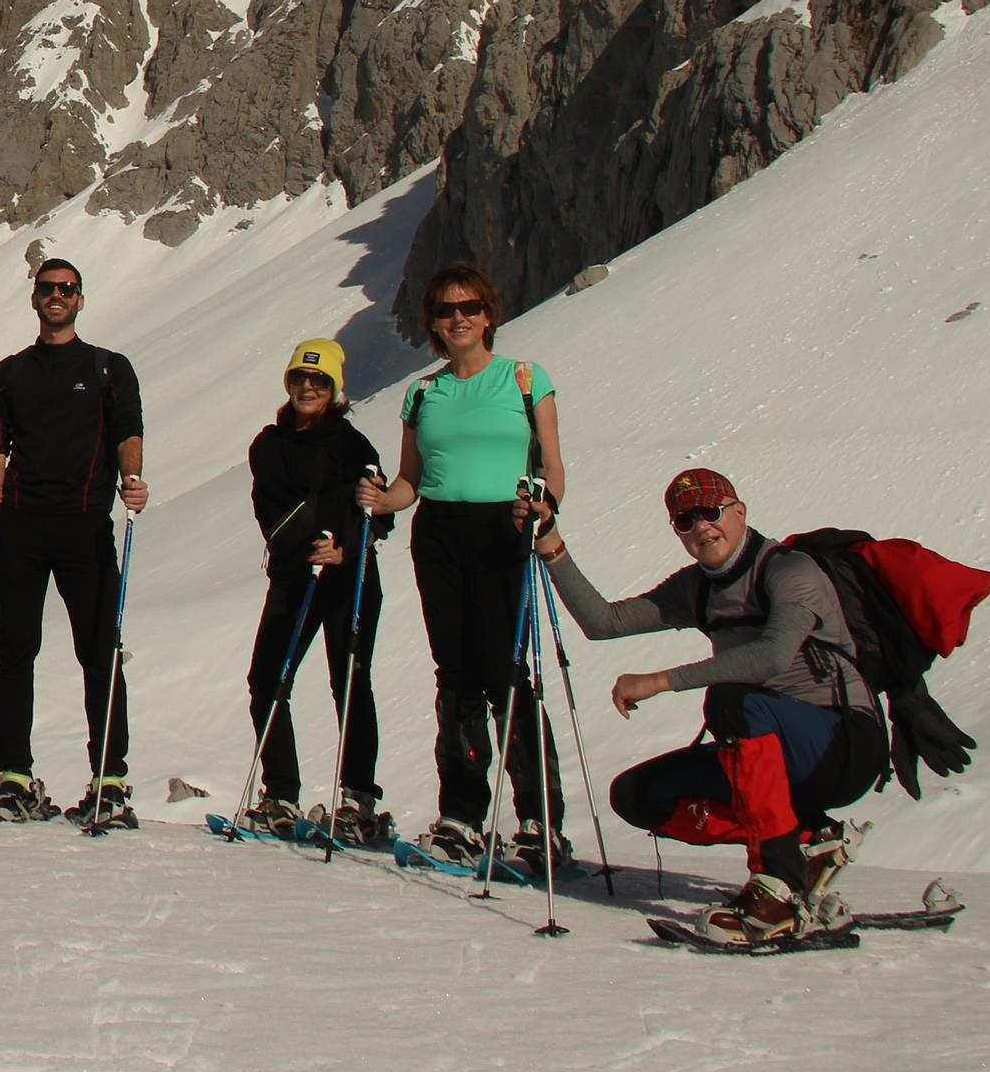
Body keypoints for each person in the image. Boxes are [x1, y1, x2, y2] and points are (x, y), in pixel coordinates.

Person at [535, 468, 888, 944]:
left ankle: (777, 887)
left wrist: (661, 680)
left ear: (739, 512)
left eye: (711, 512)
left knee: (733, 698)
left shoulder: (790, 570)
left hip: (840, 745)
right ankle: (808, 843)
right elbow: (605, 621)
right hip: (766, 747)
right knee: (640, 796)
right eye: (686, 520)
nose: (702, 526)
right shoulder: (698, 587)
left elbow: (769, 657)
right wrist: (551, 541)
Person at [361, 262, 567, 868]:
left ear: (489, 315)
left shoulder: (526, 380)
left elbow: (553, 465)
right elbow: (410, 482)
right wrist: (379, 499)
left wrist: (545, 507)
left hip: (505, 526)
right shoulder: (422, 391)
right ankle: (462, 814)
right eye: (446, 310)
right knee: (454, 675)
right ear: (432, 322)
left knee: (506, 672)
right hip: (441, 534)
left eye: (470, 307)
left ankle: (538, 819)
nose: (459, 318)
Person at [0, 259, 149, 824]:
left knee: (99, 652)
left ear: (80, 299)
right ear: (34, 298)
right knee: (16, 651)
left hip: (86, 525)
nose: (56, 296)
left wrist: (131, 480)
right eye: (47, 288)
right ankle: (14, 773)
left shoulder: (108, 369)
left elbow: (128, 430)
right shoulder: (7, 374)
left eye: (66, 289)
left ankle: (110, 776)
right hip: (21, 526)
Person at [234, 339, 391, 839]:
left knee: (348, 682)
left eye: (319, 381)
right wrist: (306, 545)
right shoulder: (269, 444)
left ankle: (357, 798)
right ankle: (280, 792)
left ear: (334, 389)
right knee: (267, 680)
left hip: (350, 576)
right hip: (294, 575)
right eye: (301, 378)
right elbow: (270, 507)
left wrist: (344, 546)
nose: (308, 387)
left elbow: (375, 513)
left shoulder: (353, 445)